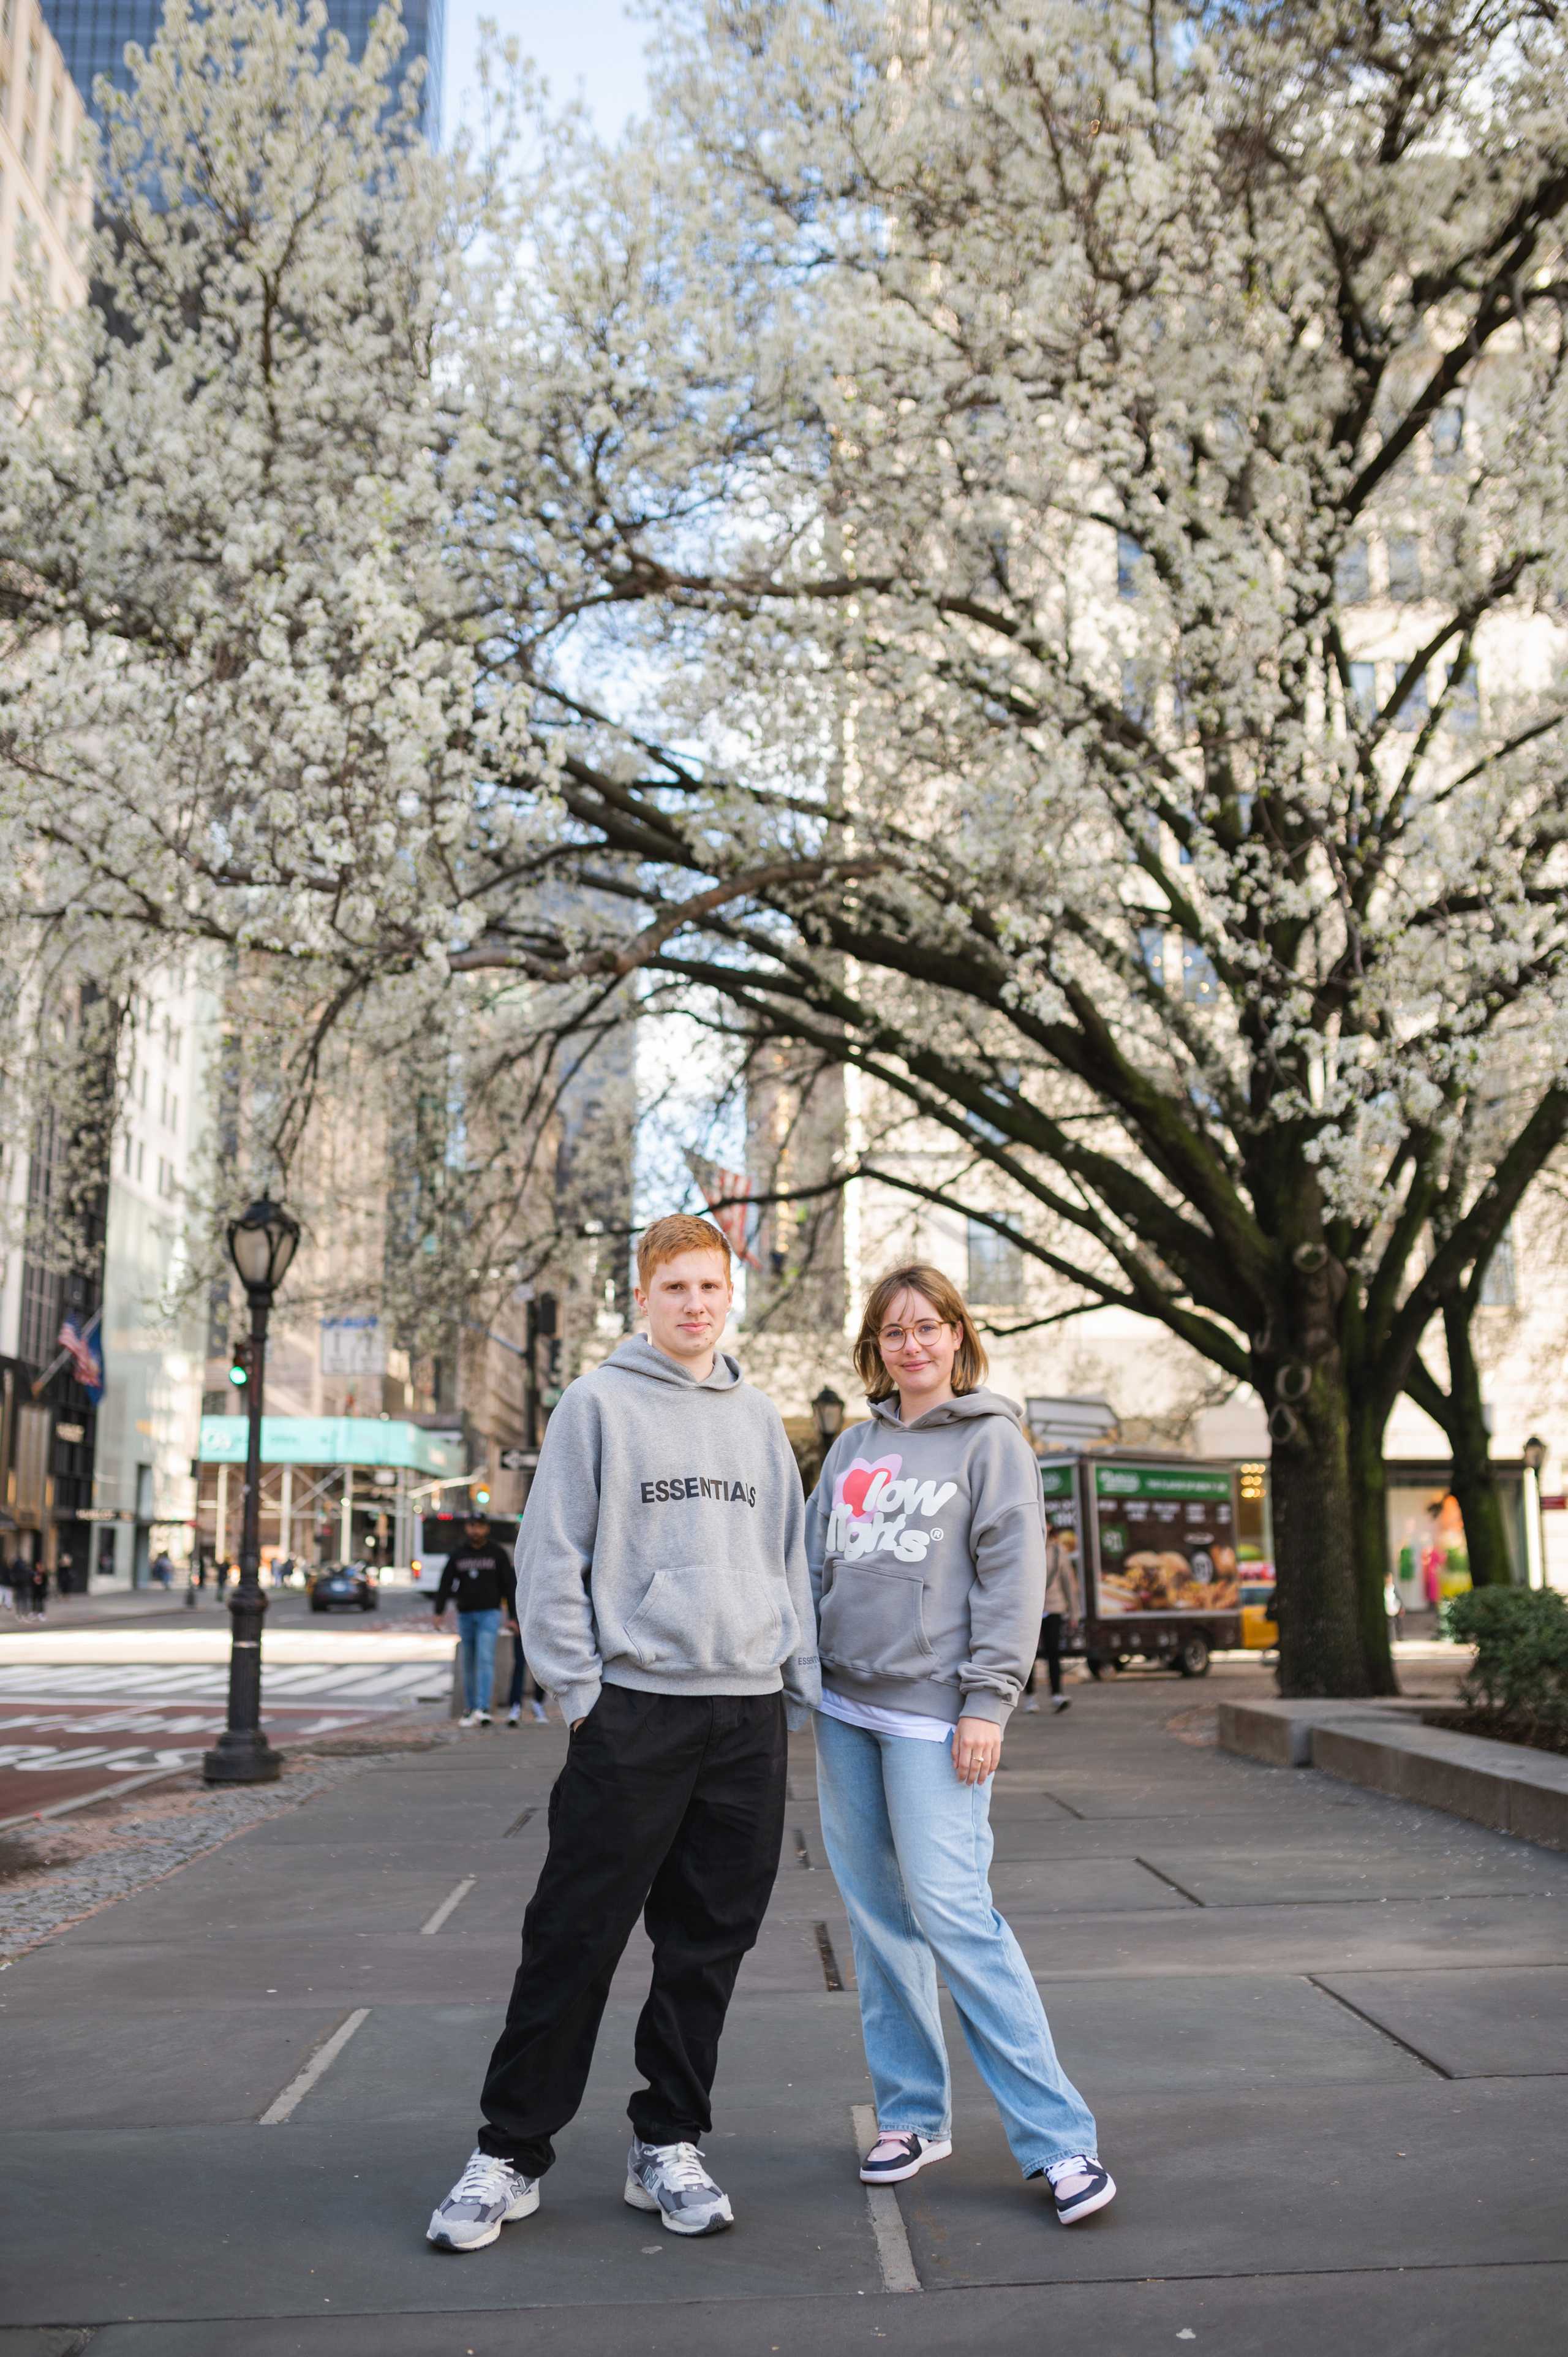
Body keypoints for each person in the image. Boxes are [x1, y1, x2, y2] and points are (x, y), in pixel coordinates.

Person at [426, 1213, 818, 2254]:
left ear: (731, 1295)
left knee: (709, 1943)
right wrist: (581, 1694)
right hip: (634, 1710)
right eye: (675, 1286)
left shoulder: (761, 1418)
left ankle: (668, 2142)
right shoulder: (596, 1403)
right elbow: (550, 1557)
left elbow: (791, 1562)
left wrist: (794, 1684)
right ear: (641, 1295)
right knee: (575, 1934)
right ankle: (509, 2152)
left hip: (745, 1713)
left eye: (710, 1286)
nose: (695, 1303)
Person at [805, 1262, 1114, 2230]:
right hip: (844, 1707)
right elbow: (814, 1563)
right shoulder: (852, 1443)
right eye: (894, 1331)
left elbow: (1013, 1578)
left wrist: (990, 1700)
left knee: (954, 1912)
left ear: (957, 1334)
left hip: (941, 1714)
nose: (912, 1344)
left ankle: (1060, 2140)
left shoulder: (992, 1442)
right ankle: (912, 2115)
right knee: (877, 1916)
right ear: (876, 1346)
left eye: (928, 1326)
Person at [432, 1515, 517, 1728]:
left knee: (485, 1658)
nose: (476, 1531)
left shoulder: (497, 1553)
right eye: (472, 1527)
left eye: (480, 1527)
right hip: (466, 1614)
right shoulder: (458, 1554)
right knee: (468, 1662)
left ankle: (483, 1708)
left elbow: (509, 1585)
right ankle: (469, 1709)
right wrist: (439, 1611)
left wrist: (513, 1617)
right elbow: (445, 1583)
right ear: (467, 1528)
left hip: (490, 1613)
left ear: (487, 1529)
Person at [1024, 1524, 1079, 1714]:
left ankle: (1057, 1694)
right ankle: (1030, 1697)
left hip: (1053, 1606)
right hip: (1029, 1608)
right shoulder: (1024, 1544)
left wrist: (1074, 1612)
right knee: (1029, 1655)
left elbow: (1068, 1582)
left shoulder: (1058, 1550)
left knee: (1054, 1651)